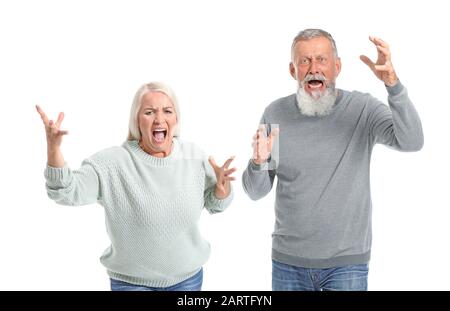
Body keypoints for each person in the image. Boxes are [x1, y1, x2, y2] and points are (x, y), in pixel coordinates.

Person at [242, 29, 423, 291]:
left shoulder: (362, 109)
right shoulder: (275, 113)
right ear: (293, 71)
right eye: (304, 61)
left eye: (321, 60)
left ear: (337, 67)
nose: (313, 68)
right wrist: (258, 162)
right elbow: (255, 192)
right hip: (288, 264)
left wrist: (393, 86)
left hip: (347, 265)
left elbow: (412, 141)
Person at [36, 82, 235, 291]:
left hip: (188, 280)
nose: (159, 119)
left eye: (167, 111)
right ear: (136, 121)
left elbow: (216, 205)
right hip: (131, 284)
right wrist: (53, 149)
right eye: (149, 112)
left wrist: (222, 191)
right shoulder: (111, 163)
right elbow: (66, 192)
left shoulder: (194, 156)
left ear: (176, 119)